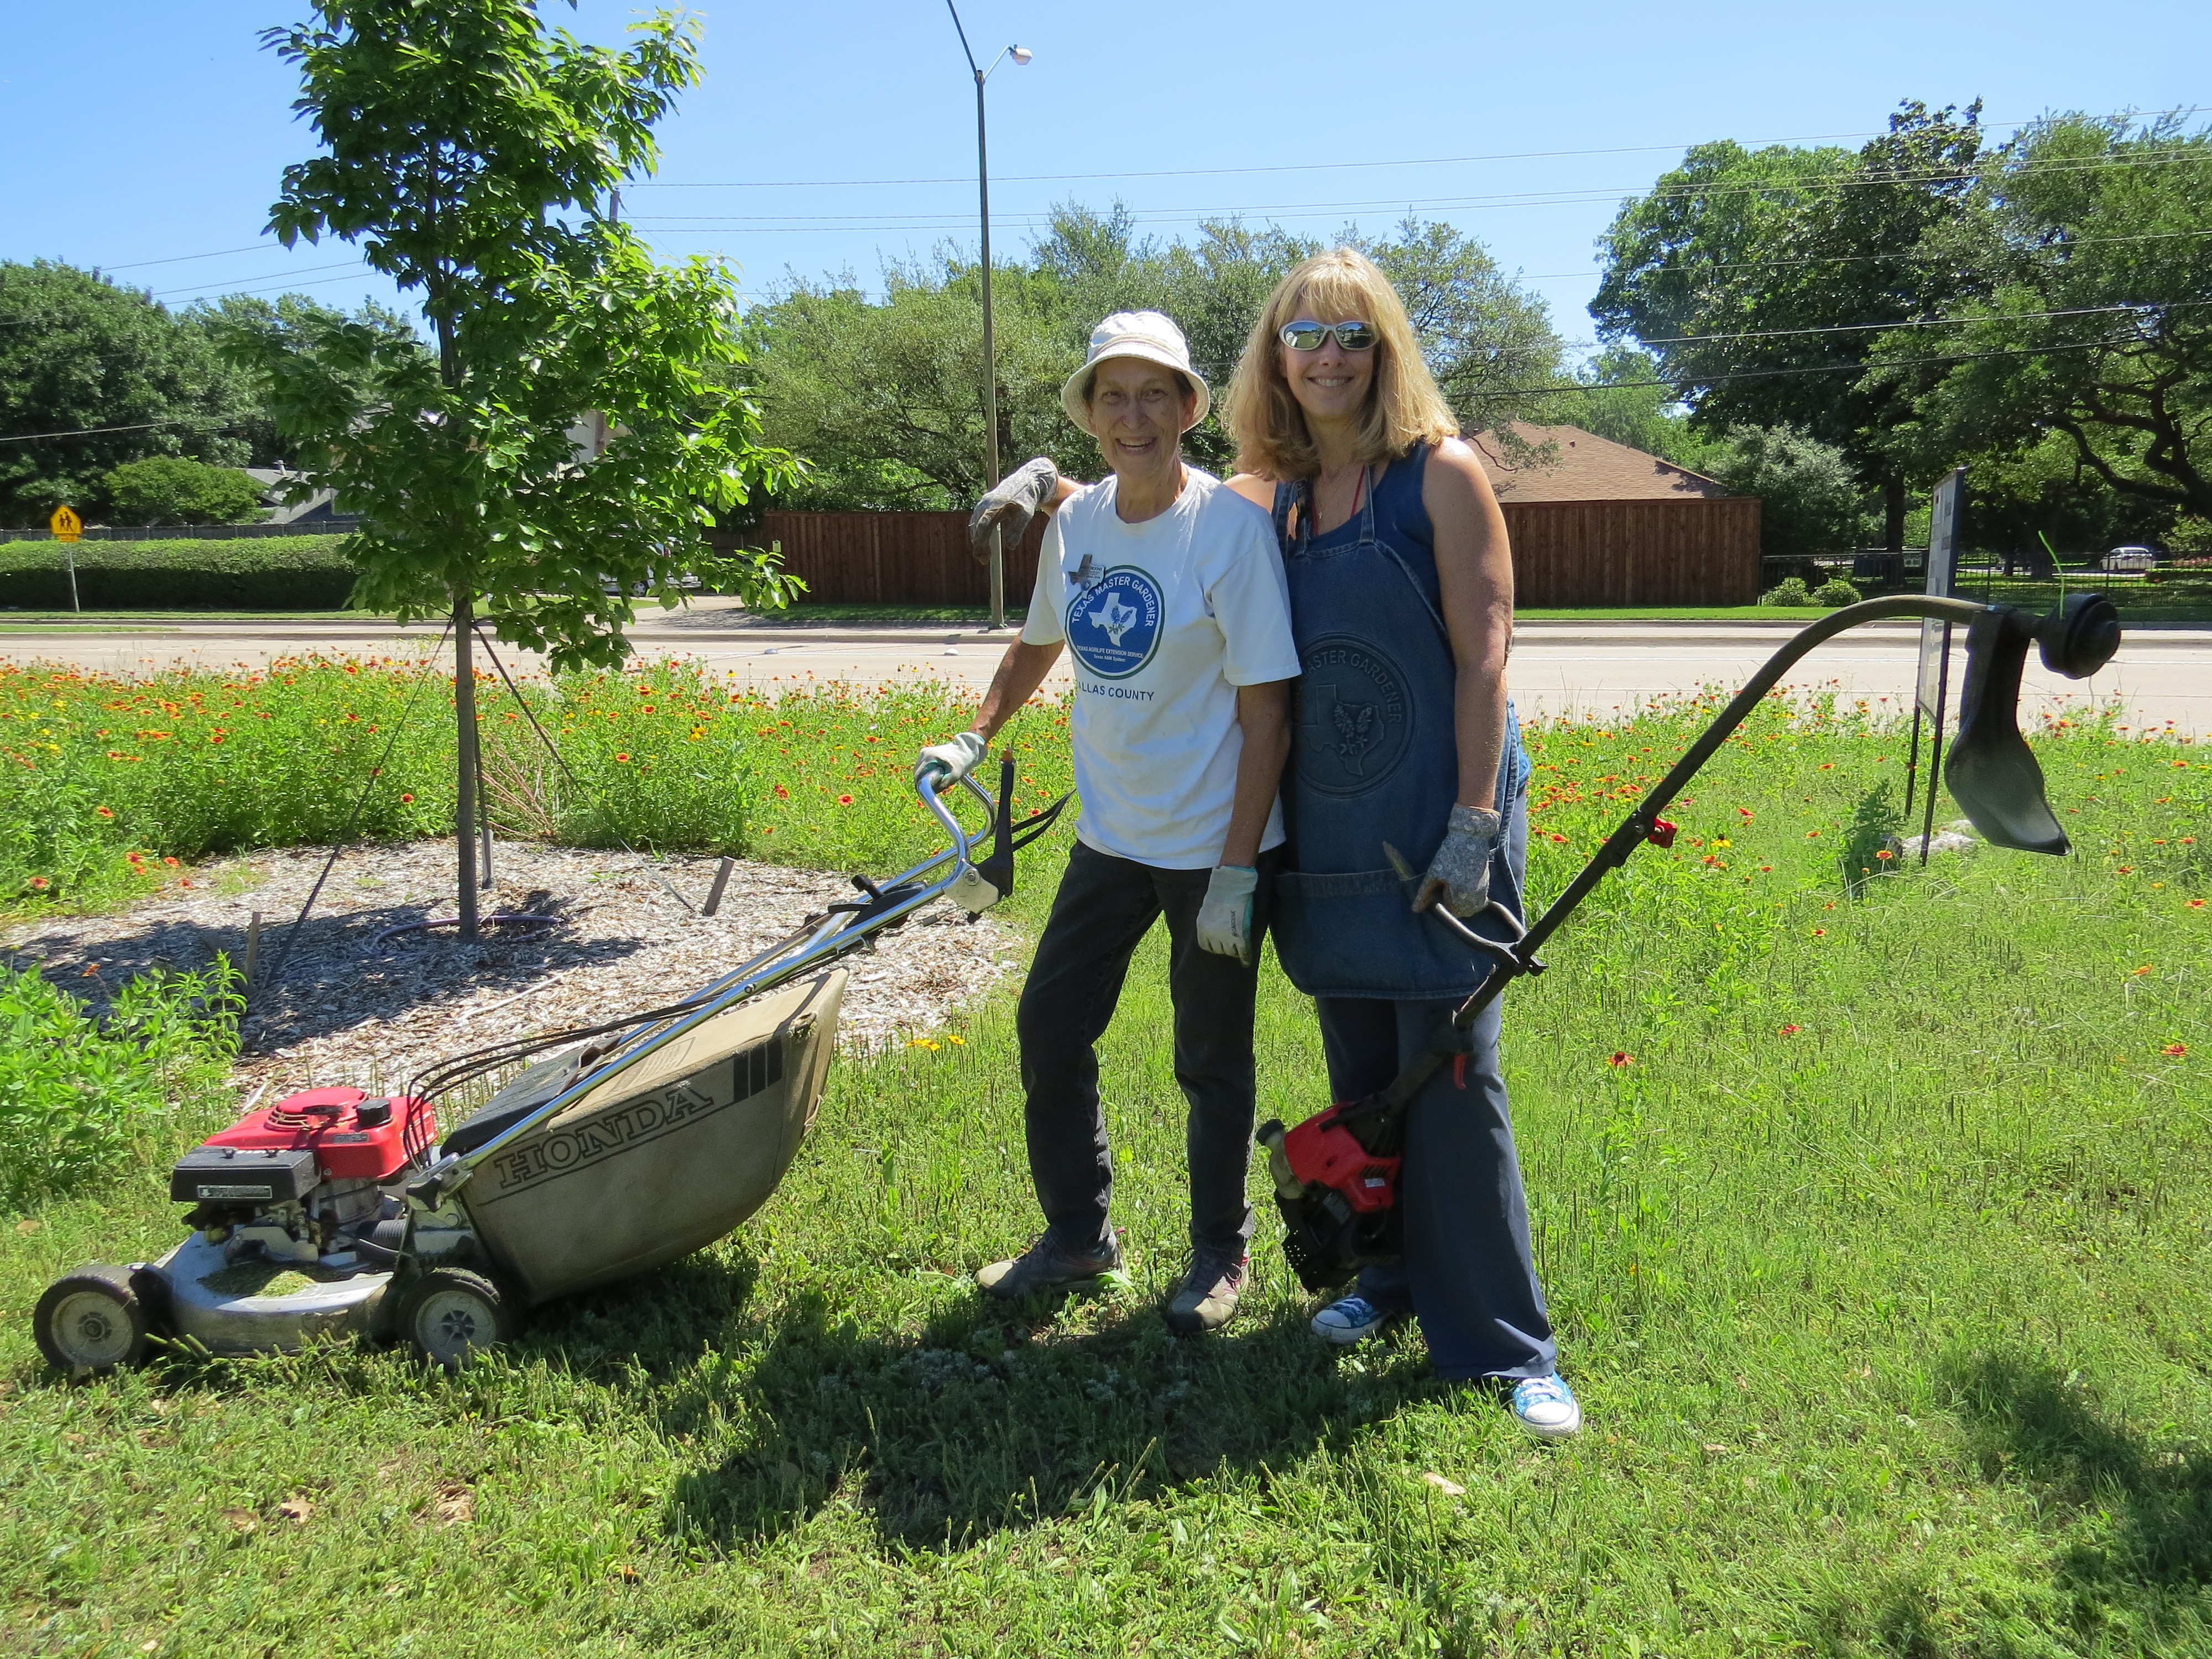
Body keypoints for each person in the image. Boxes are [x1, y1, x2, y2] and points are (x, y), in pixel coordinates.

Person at [968, 251, 1578, 1439]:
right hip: (1332, 834)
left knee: (1455, 1081)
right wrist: (1047, 480)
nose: (1328, 355)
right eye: (1304, 334)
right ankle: (1388, 1284)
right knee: (1365, 1083)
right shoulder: (1286, 495)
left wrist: (1472, 820)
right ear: (1275, 360)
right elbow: (1145, 498)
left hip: (1437, 821)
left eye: (1351, 335)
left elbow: (1485, 655)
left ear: (1384, 350)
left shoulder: (1439, 476)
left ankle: (1507, 1344)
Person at [920, 310, 1298, 1335]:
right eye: (1112, 397)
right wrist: (975, 736)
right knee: (1049, 1022)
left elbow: (1267, 713)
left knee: (1208, 1057)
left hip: (1212, 847)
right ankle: (1080, 1239)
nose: (1133, 416)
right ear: (1091, 416)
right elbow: (1040, 644)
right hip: (1112, 838)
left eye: (1153, 395)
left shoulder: (1228, 530)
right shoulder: (1079, 527)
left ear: (1186, 409)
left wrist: (1234, 873)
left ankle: (1221, 1250)